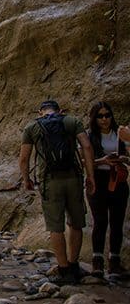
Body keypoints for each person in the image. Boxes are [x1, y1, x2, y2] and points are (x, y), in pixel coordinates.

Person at [19, 99, 96, 283]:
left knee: (55, 227)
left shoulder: (32, 127)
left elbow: (24, 158)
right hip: (74, 179)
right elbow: (86, 146)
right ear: (59, 110)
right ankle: (74, 265)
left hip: (50, 181)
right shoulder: (71, 121)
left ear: (40, 112)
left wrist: (26, 179)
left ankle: (63, 270)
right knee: (76, 223)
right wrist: (90, 175)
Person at [85, 101, 129, 276]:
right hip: (98, 180)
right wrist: (102, 161)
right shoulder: (89, 136)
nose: (104, 119)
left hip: (118, 179)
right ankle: (97, 263)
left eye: (107, 115)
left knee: (117, 222)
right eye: (100, 116)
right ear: (94, 118)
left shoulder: (121, 134)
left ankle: (115, 262)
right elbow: (82, 162)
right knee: (100, 221)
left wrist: (124, 159)